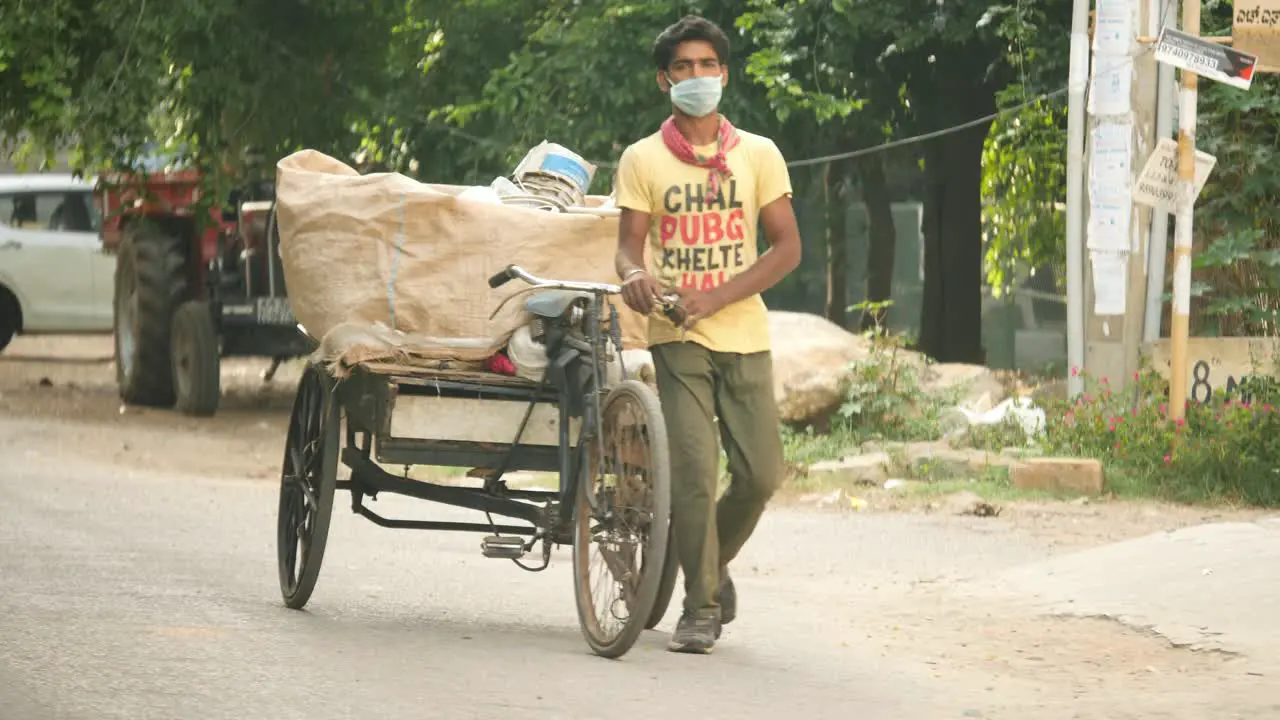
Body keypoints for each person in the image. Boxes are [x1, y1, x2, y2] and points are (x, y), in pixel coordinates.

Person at [611, 14, 802, 654]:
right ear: (665, 80)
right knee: (694, 472)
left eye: (708, 66)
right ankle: (700, 607)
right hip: (675, 334)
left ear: (725, 74)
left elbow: (787, 249)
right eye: (684, 68)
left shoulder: (759, 155)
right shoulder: (642, 159)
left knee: (761, 476)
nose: (697, 77)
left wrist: (716, 297)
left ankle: (710, 565)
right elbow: (626, 251)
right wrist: (637, 277)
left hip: (744, 332)